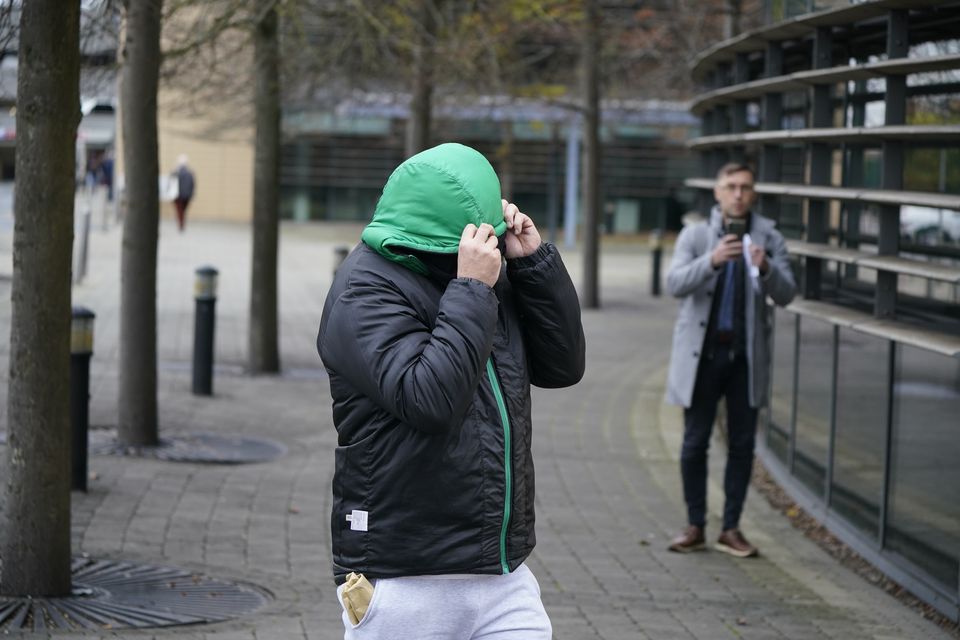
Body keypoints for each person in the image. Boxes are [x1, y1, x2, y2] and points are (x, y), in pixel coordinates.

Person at [317, 142, 585, 639]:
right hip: (405, 574)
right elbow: (431, 400)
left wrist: (532, 265)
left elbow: (562, 366)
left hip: (501, 570)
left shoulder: (482, 271)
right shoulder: (364, 289)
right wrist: (473, 290)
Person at [664, 162, 796, 558]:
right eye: (731, 186)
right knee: (694, 442)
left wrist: (767, 267)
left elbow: (788, 293)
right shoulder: (697, 234)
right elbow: (674, 284)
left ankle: (732, 528)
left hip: (745, 359)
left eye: (745, 187)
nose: (738, 194)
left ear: (753, 194)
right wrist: (713, 260)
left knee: (741, 446)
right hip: (702, 356)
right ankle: (695, 525)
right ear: (718, 193)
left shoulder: (769, 237)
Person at [172, 154, 195, 231]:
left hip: (178, 195)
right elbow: (192, 185)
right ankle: (181, 223)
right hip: (186, 196)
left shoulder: (176, 172)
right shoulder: (190, 173)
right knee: (182, 211)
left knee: (180, 211)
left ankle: (181, 224)